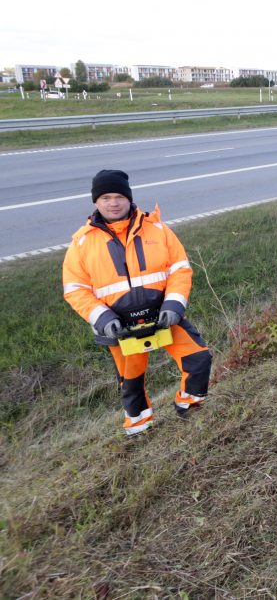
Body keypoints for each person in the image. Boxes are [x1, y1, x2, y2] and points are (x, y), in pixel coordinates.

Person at [62, 170, 212, 436]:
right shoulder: (82, 243)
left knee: (199, 360)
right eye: (106, 197)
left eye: (119, 196)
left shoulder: (157, 229)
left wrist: (174, 305)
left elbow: (180, 269)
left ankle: (189, 406)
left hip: (164, 316)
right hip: (119, 327)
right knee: (131, 383)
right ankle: (139, 427)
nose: (113, 203)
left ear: (129, 198)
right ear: (96, 202)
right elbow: (75, 289)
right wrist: (104, 319)